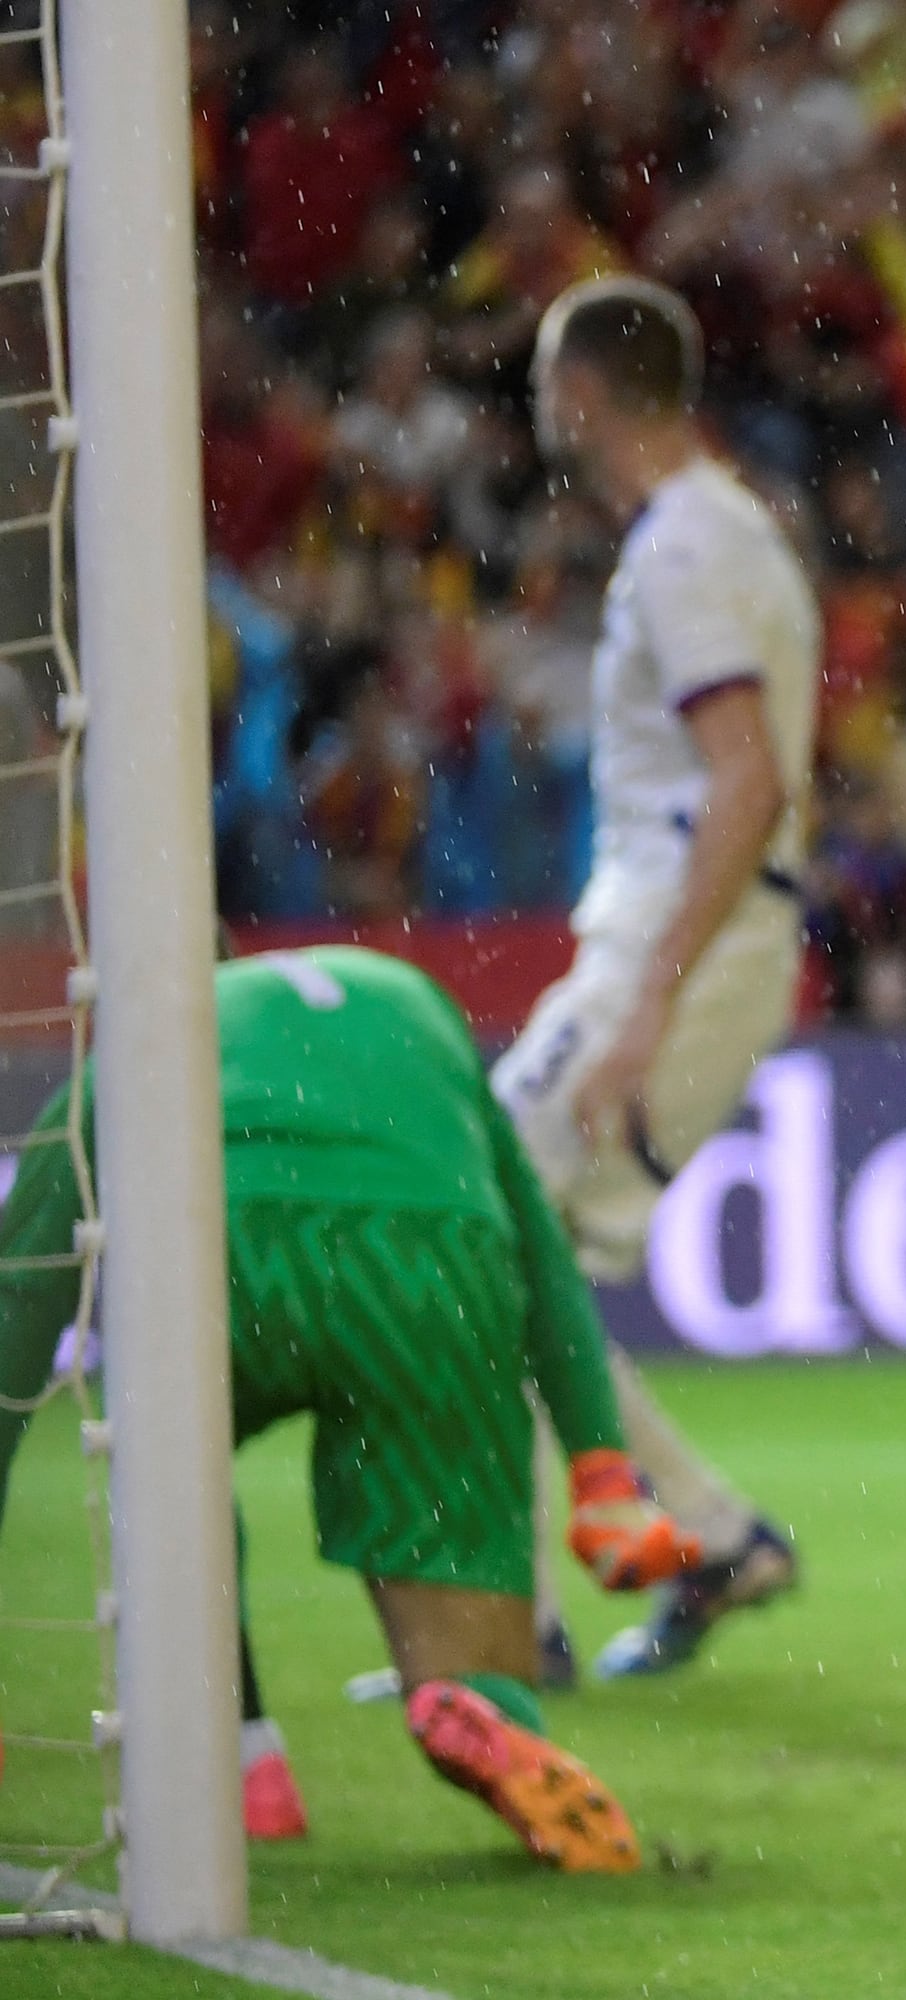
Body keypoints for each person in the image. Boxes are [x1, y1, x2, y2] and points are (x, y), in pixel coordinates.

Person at [0, 949, 700, 1870]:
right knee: (461, 1578)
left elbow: (21, 1302)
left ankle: (242, 1760)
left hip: (229, 1239)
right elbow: (540, 1256)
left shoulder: (143, 1035)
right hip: (431, 1257)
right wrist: (602, 1473)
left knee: (170, 1467)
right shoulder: (413, 996)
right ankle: (480, 1702)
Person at [489, 278, 815, 1681]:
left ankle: (522, 1623)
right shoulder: (727, 529)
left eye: (544, 376)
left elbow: (745, 778)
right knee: (513, 1261)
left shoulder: (683, 552)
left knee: (471, 1209)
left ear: (586, 393)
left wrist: (649, 1001)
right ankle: (707, 1537)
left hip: (685, 936)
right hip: (700, 930)